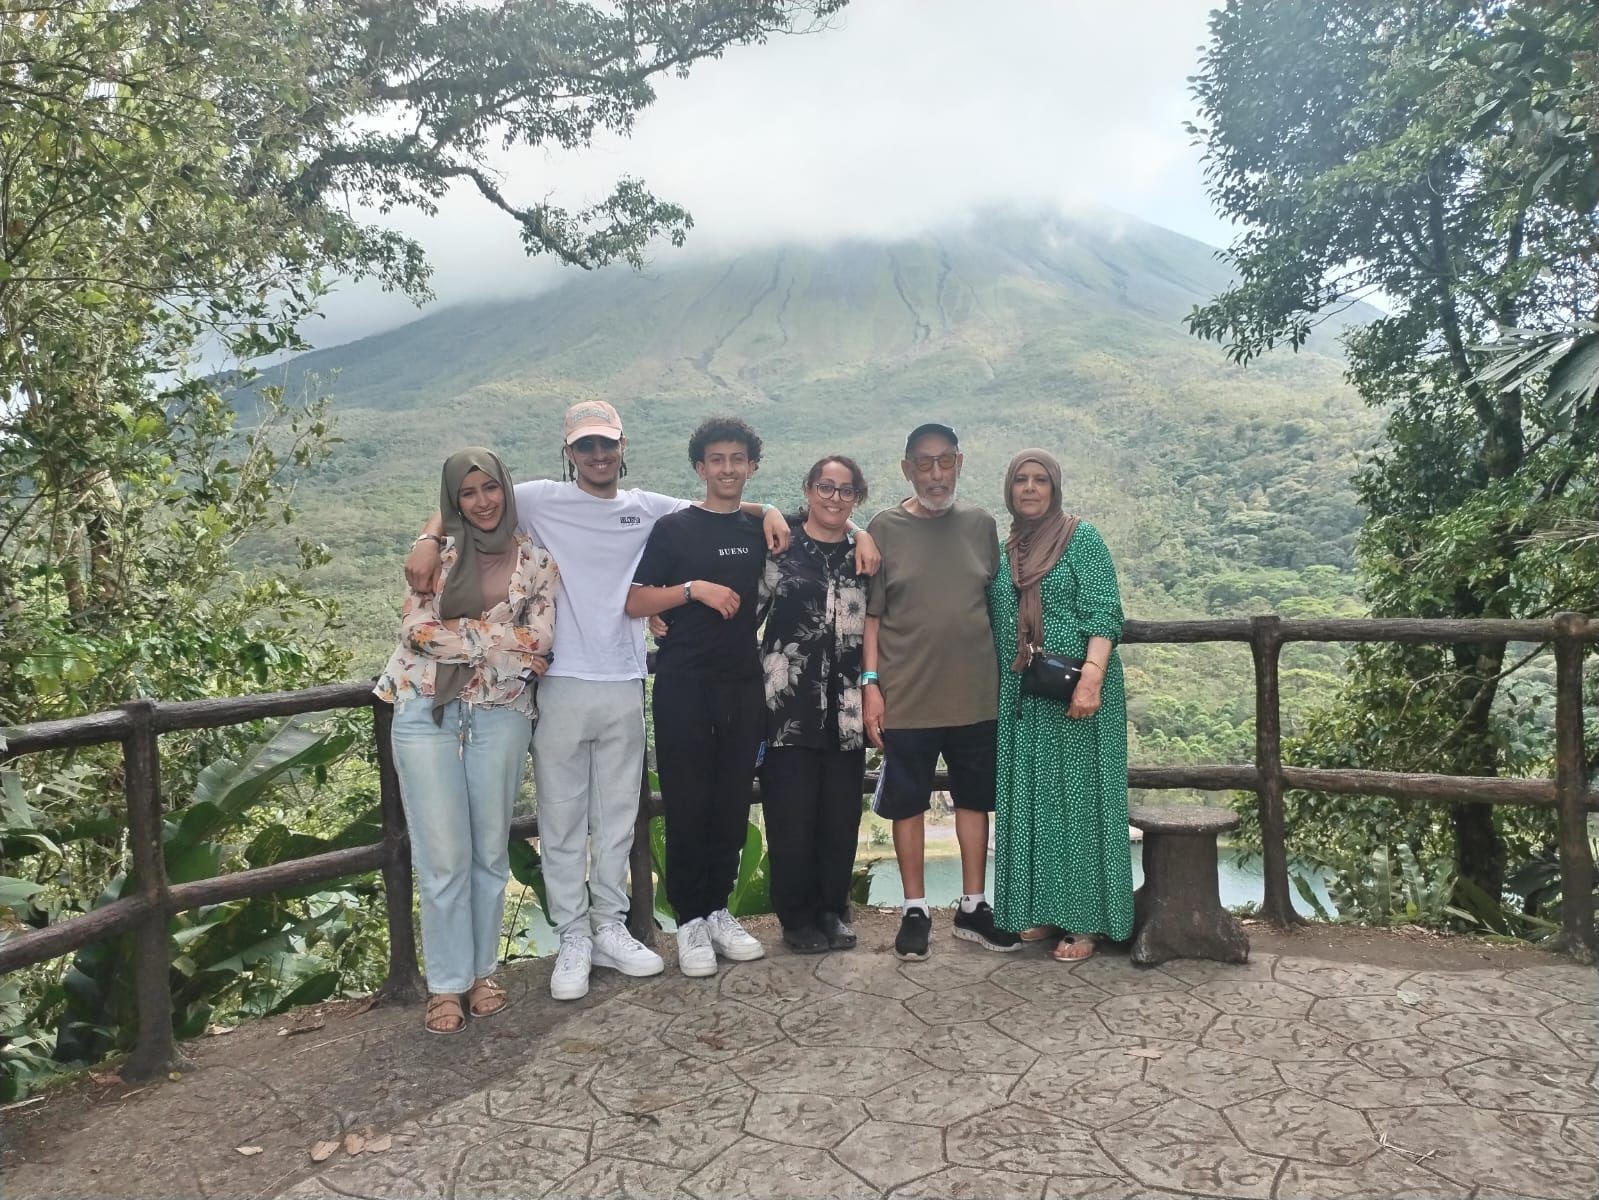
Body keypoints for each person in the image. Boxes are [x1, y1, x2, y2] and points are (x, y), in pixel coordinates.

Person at [403, 401, 791, 1002]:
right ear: (569, 453)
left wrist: (769, 513)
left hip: (626, 678)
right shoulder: (538, 500)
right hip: (559, 682)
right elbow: (471, 493)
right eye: (586, 447)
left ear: (622, 445)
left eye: (606, 445)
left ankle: (609, 926)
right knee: (562, 818)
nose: (598, 456)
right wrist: (429, 537)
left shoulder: (646, 508)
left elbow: (716, 505)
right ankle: (572, 936)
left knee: (616, 816)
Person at [376, 448, 559, 1033]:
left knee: (486, 849)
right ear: (454, 499)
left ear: (506, 489)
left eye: (491, 488)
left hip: (503, 712)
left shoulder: (536, 559)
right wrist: (502, 640)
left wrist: (469, 635)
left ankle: (482, 973)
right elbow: (417, 631)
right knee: (440, 852)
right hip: (425, 708)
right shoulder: (434, 557)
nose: (482, 502)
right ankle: (445, 984)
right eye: (468, 492)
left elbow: (542, 641)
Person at [863, 422, 1021, 961]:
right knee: (907, 805)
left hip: (976, 693)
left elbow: (998, 603)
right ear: (907, 469)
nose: (935, 474)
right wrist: (872, 687)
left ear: (959, 462)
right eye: (924, 464)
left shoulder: (981, 525)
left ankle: (974, 906)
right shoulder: (882, 528)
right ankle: (914, 910)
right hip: (907, 693)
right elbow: (873, 617)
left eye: (945, 462)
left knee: (975, 800)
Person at [624, 417, 773, 977]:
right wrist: (692, 592)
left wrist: (773, 511)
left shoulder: (761, 528)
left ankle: (717, 911)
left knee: (732, 804)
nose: (728, 469)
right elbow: (635, 601)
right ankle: (688, 921)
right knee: (687, 803)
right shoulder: (674, 528)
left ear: (751, 466)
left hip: (742, 682)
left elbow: (829, 521)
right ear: (700, 467)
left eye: (738, 459)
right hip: (684, 683)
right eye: (717, 459)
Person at [989, 449, 1133, 961]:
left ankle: (1086, 921)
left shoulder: (1080, 538)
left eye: (1040, 480)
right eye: (1021, 480)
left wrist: (1091, 679)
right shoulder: (1009, 549)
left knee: (1080, 803)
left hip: (1077, 695)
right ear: (1009, 489)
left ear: (1055, 488)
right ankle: (1049, 911)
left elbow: (1104, 614)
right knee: (1042, 803)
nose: (1030, 488)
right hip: (1027, 698)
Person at [757, 456, 872, 953]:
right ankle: (796, 917)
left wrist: (862, 532)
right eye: (826, 486)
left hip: (847, 703)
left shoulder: (863, 554)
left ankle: (832, 910)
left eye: (846, 491)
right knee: (791, 813)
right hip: (787, 703)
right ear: (807, 489)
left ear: (856, 500)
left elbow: (877, 622)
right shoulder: (780, 544)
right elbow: (749, 615)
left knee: (841, 813)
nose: (834, 497)